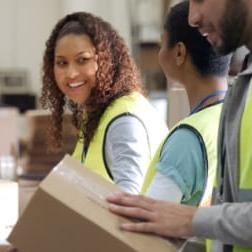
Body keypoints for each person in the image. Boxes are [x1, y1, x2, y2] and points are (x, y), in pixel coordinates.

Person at [107, 0, 252, 251]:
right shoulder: (239, 92)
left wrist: (190, 220)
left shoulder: (188, 135)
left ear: (179, 53)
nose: (193, 18)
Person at [40, 12, 168, 194]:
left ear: (107, 60)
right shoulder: (96, 113)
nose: (71, 73)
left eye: (82, 60)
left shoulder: (124, 121)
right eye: (62, 63)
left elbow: (130, 205)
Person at [141, 1, 230, 209]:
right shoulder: (234, 116)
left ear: (179, 53)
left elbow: (148, 224)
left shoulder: (186, 139)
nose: (160, 53)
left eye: (162, 44)